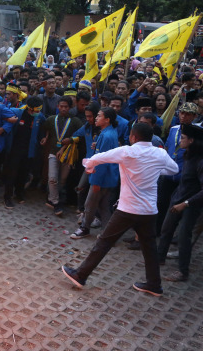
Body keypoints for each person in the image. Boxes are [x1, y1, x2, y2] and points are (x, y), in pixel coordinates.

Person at [61, 123, 179, 297]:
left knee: (104, 243)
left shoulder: (127, 151)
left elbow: (98, 157)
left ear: (133, 136)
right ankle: (154, 284)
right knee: (150, 248)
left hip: (128, 209)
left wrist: (90, 167)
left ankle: (80, 274)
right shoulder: (159, 153)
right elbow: (174, 169)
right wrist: (153, 170)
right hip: (148, 211)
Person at [157, 124, 203, 282]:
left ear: (191, 140)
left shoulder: (200, 162)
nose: (179, 141)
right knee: (166, 229)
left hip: (191, 205)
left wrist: (186, 203)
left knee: (184, 236)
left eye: (182, 138)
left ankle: (183, 271)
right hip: (177, 198)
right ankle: (160, 257)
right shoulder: (187, 155)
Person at [70, 108, 119, 239]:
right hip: (108, 177)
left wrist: (96, 182)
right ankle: (108, 234)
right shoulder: (108, 133)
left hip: (101, 178)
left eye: (98, 116)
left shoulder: (107, 136)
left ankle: (84, 228)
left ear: (107, 120)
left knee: (90, 205)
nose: (96, 118)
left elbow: (102, 162)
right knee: (103, 207)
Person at [41, 96, 82, 215]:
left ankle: (53, 199)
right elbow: (46, 129)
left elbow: (81, 135)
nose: (63, 109)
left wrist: (71, 140)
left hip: (68, 155)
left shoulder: (75, 121)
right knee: (52, 178)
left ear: (70, 107)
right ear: (57, 106)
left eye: (66, 107)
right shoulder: (51, 119)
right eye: (61, 106)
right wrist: (46, 137)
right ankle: (56, 202)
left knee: (63, 180)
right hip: (53, 153)